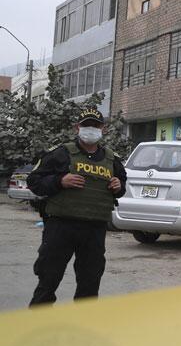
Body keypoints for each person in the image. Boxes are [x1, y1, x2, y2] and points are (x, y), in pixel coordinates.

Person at [26, 107, 127, 306]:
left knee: (90, 284)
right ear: (77, 128)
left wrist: (118, 186)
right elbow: (34, 181)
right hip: (61, 226)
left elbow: (121, 187)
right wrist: (59, 181)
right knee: (49, 279)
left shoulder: (112, 159)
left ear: (103, 129)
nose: (91, 129)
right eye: (86, 125)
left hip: (94, 229)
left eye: (95, 125)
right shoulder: (60, 154)